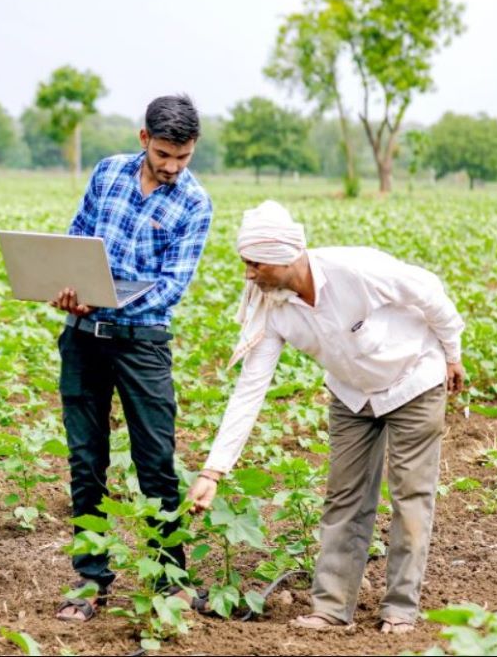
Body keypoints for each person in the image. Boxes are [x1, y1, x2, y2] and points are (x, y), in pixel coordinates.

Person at [189, 200, 465, 634]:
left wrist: (452, 354)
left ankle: (399, 608)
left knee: (411, 496)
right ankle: (332, 607)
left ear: (285, 256)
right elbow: (249, 390)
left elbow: (428, 293)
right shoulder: (272, 307)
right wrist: (214, 470)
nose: (248, 274)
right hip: (352, 395)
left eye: (255, 263)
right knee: (344, 498)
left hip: (413, 379)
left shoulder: (355, 269)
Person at [51, 95, 213, 622]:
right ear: (144, 139)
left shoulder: (194, 204)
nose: (172, 166)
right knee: (86, 462)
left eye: (183, 157)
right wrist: (68, 287)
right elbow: (77, 238)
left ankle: (170, 579)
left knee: (155, 462)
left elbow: (171, 287)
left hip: (143, 344)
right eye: (164, 154)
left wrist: (106, 300)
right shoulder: (108, 173)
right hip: (82, 337)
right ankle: (90, 579)